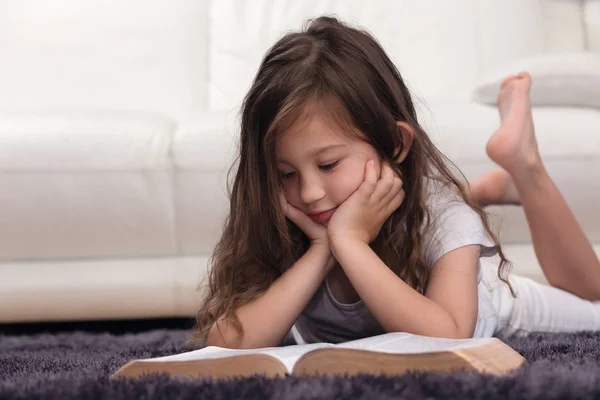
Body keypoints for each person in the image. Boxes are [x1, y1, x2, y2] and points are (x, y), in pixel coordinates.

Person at [191, 16, 600, 349]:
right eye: (286, 174)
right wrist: (322, 248)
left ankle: (525, 169)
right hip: (416, 214)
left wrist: (349, 243)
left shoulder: (442, 217)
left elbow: (449, 335)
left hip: (496, 301)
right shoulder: (288, 221)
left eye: (329, 164)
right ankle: (487, 189)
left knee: (596, 302)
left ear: (395, 144)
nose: (310, 192)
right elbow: (224, 344)